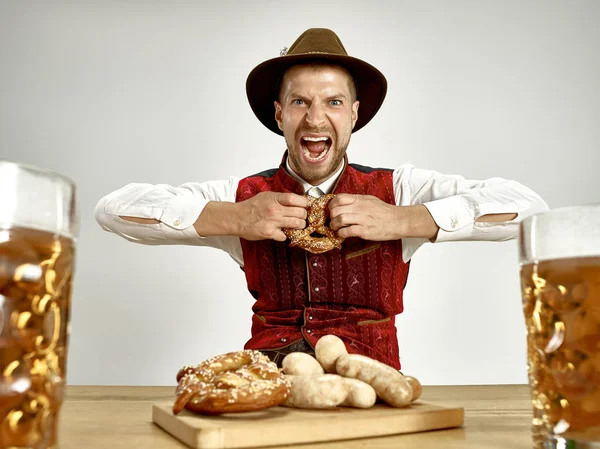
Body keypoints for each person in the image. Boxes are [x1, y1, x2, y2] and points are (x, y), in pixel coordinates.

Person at [94, 28, 548, 370]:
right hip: (268, 390)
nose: (315, 118)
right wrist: (234, 217)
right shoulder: (245, 200)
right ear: (279, 115)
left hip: (371, 387)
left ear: (354, 114)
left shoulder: (400, 191)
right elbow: (113, 210)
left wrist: (404, 221)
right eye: (299, 102)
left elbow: (529, 207)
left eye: (333, 102)